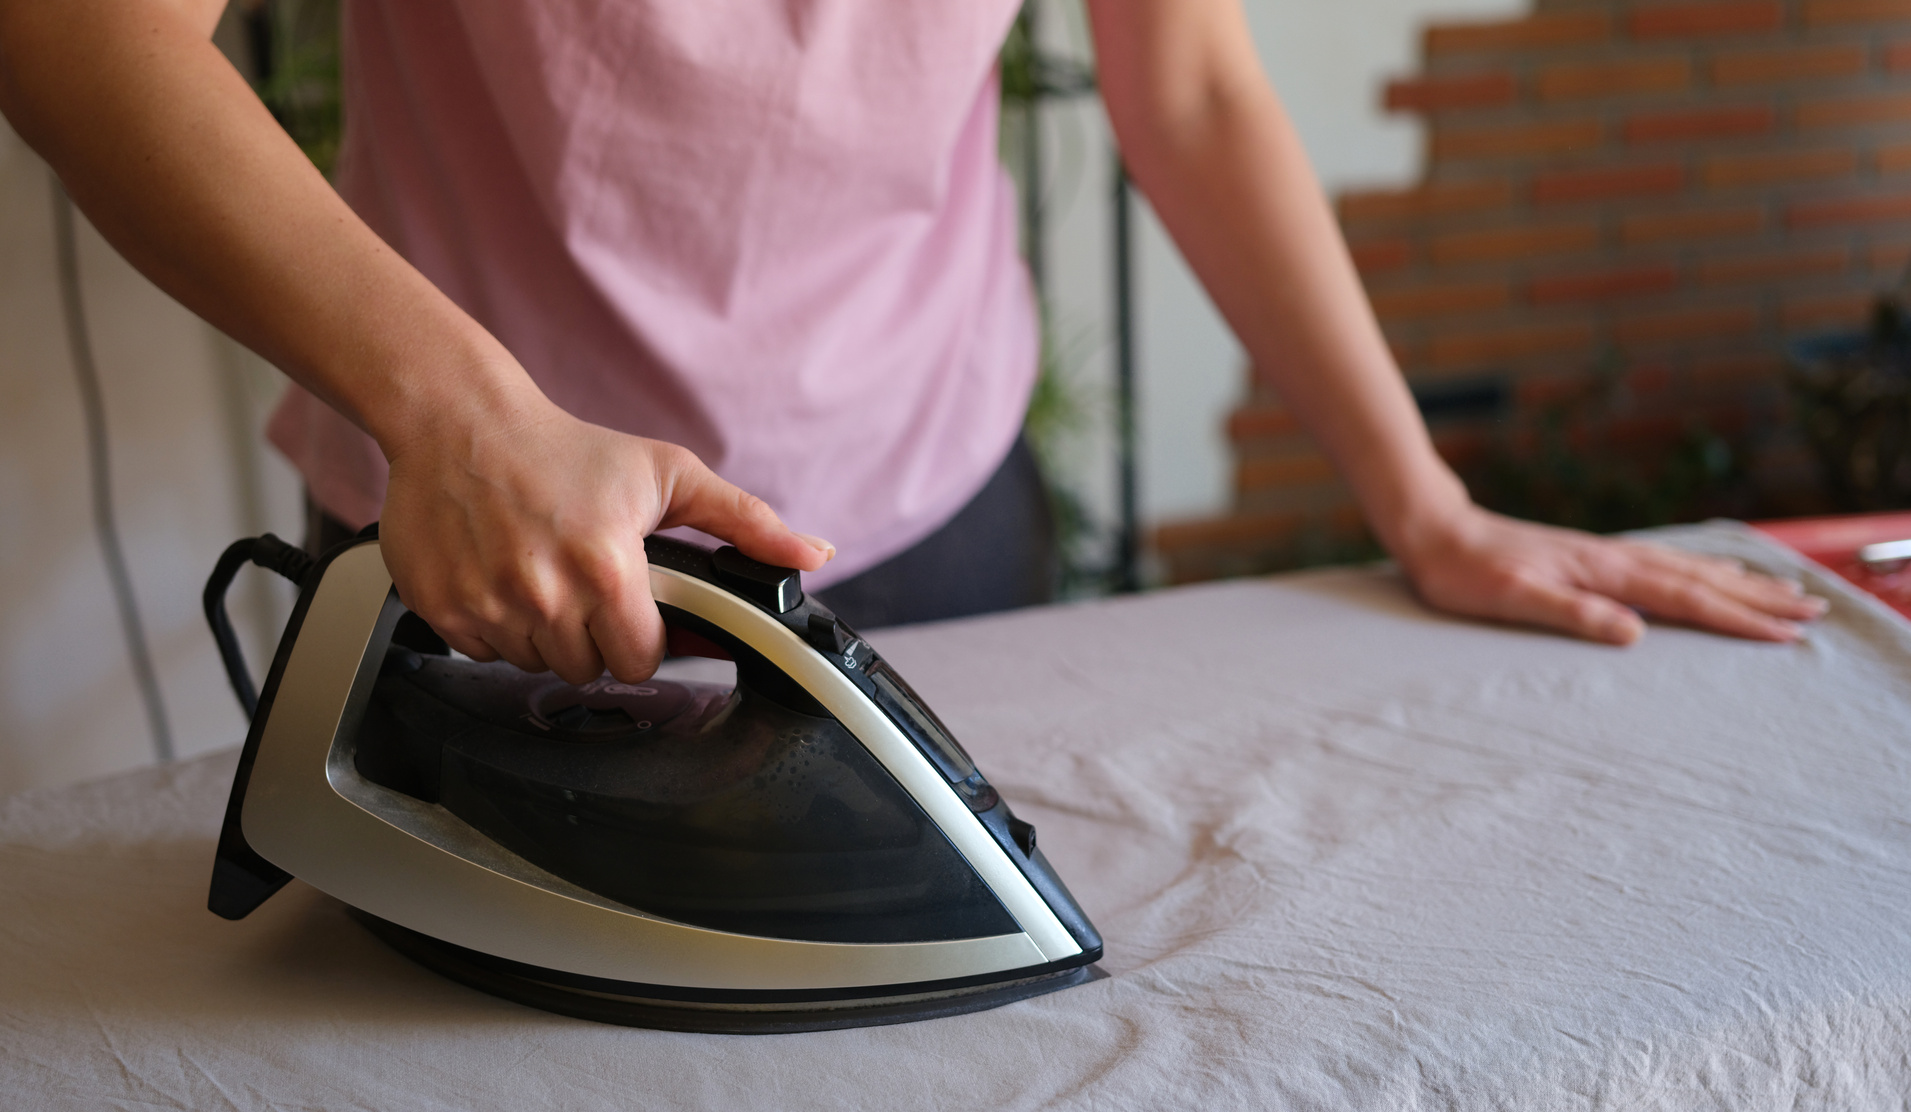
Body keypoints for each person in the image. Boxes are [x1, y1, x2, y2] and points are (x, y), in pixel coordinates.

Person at [0, 0, 1825, 687]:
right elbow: (89, 35)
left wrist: (1422, 501)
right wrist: (459, 409)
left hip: (937, 513)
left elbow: (1183, 80)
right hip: (477, 525)